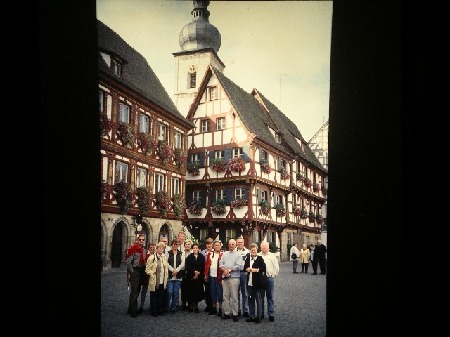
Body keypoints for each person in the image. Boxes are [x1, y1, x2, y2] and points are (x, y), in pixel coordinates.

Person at [219, 238, 244, 322]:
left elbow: (238, 266)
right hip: (225, 278)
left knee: (234, 297)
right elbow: (220, 264)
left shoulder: (238, 255)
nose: (231, 246)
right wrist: (224, 270)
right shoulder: (224, 254)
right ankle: (226, 313)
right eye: (230, 244)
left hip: (234, 278)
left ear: (235, 245)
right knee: (225, 296)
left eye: (233, 244)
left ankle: (235, 314)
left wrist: (229, 270)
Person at [125, 233, 148, 317]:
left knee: (137, 290)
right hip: (135, 271)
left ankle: (130, 307)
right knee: (134, 290)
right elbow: (128, 261)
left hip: (142, 271)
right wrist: (132, 271)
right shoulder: (133, 248)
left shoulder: (145, 250)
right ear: (137, 240)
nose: (141, 241)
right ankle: (134, 310)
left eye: (143, 240)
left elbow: (145, 260)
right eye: (140, 239)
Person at [244, 243, 266, 324]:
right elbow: (245, 267)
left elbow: (263, 268)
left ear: (257, 250)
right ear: (250, 250)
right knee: (250, 300)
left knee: (258, 300)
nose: (253, 251)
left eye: (255, 250)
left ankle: (259, 317)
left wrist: (255, 270)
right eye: (252, 250)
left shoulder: (260, 259)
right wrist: (247, 269)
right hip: (249, 282)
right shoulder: (247, 258)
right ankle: (252, 316)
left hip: (257, 283)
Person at [145, 241, 169, 317]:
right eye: (160, 248)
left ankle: (159, 309)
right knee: (154, 296)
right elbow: (147, 269)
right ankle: (153, 310)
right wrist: (152, 274)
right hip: (155, 280)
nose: (161, 249)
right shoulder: (152, 257)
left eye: (162, 248)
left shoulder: (164, 257)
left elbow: (165, 268)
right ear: (157, 249)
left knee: (160, 295)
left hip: (162, 279)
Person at [259, 241, 279, 322]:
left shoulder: (272, 255)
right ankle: (261, 314)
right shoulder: (258, 255)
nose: (264, 248)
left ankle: (271, 314)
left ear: (268, 247)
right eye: (262, 246)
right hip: (260, 279)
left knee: (270, 297)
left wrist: (272, 275)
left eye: (265, 246)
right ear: (261, 247)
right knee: (260, 297)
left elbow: (276, 267)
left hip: (269, 278)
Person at [204, 240, 224, 316]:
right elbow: (206, 265)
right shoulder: (210, 254)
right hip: (211, 276)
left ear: (220, 246)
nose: (217, 246)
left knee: (220, 293)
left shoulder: (223, 254)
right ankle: (214, 308)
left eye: (218, 245)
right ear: (213, 246)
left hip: (219, 277)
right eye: (215, 245)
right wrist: (206, 275)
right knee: (213, 292)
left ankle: (220, 309)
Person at [185, 242, 205, 313]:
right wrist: (194, 272)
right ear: (192, 249)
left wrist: (198, 272)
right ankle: (191, 305)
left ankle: (196, 305)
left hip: (199, 278)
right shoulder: (189, 257)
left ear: (199, 249)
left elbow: (203, 266)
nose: (195, 249)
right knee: (191, 292)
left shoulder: (202, 257)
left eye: (196, 248)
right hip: (191, 277)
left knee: (197, 292)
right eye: (194, 248)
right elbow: (188, 266)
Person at [165, 239, 185, 313]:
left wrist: (176, 270)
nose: (175, 246)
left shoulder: (181, 253)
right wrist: (172, 270)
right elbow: (166, 262)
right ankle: (167, 306)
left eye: (177, 244)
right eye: (174, 244)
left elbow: (182, 263)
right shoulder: (168, 253)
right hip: (170, 275)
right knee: (169, 292)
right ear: (172, 245)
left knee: (176, 292)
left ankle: (173, 307)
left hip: (178, 275)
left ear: (178, 245)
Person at [138, 241, 155, 313]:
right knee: (144, 291)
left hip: (153, 276)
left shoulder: (156, 255)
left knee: (153, 291)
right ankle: (141, 306)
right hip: (145, 276)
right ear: (148, 248)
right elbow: (141, 263)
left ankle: (152, 306)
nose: (152, 249)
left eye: (153, 247)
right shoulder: (145, 255)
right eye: (150, 247)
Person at [235, 237, 250, 317]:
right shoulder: (233, 252)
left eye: (241, 242)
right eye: (238, 242)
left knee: (245, 293)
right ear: (236, 243)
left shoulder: (247, 252)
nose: (240, 244)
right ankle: (237, 310)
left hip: (244, 274)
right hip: (236, 273)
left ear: (243, 243)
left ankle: (246, 310)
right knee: (236, 293)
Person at [200, 237, 214, 313]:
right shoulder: (202, 253)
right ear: (206, 245)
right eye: (207, 244)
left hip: (212, 273)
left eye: (210, 244)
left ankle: (212, 305)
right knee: (207, 290)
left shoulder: (214, 252)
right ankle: (208, 305)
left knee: (212, 289)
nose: (209, 245)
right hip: (205, 273)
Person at [180, 239, 193, 310]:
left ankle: (190, 302)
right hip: (183, 272)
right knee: (183, 288)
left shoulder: (192, 253)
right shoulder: (181, 253)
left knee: (190, 288)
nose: (187, 245)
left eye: (189, 244)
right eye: (186, 244)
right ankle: (183, 302)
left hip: (190, 272)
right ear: (184, 246)